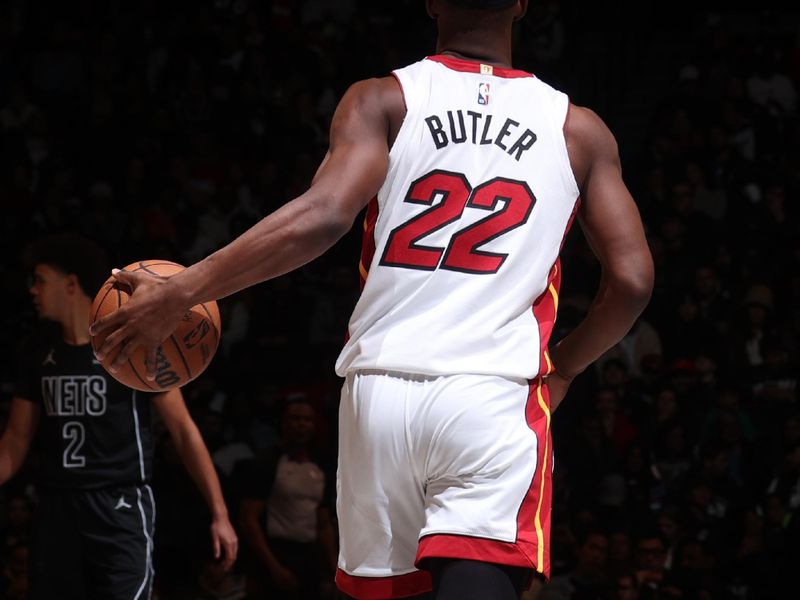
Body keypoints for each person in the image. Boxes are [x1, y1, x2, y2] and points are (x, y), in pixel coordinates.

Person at [92, 1, 654, 598]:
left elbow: (324, 215)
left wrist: (183, 290)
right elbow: (632, 282)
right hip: (492, 396)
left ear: (431, 1)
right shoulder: (578, 129)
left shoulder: (384, 100)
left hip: (380, 391)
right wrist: (562, 368)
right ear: (520, 4)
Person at [0, 233, 238, 599]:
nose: (33, 290)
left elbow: (183, 429)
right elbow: (15, 441)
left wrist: (219, 513)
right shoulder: (35, 352)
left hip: (120, 502)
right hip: (57, 505)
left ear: (70, 284)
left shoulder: (130, 339)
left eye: (41, 280)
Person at [237, 396, 337, 598]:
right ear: (283, 422)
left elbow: (324, 522)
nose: (302, 425)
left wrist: (335, 568)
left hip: (309, 558)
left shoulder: (321, 465)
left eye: (308, 420)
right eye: (295, 418)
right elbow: (249, 519)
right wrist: (273, 566)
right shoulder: (267, 462)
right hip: (275, 555)